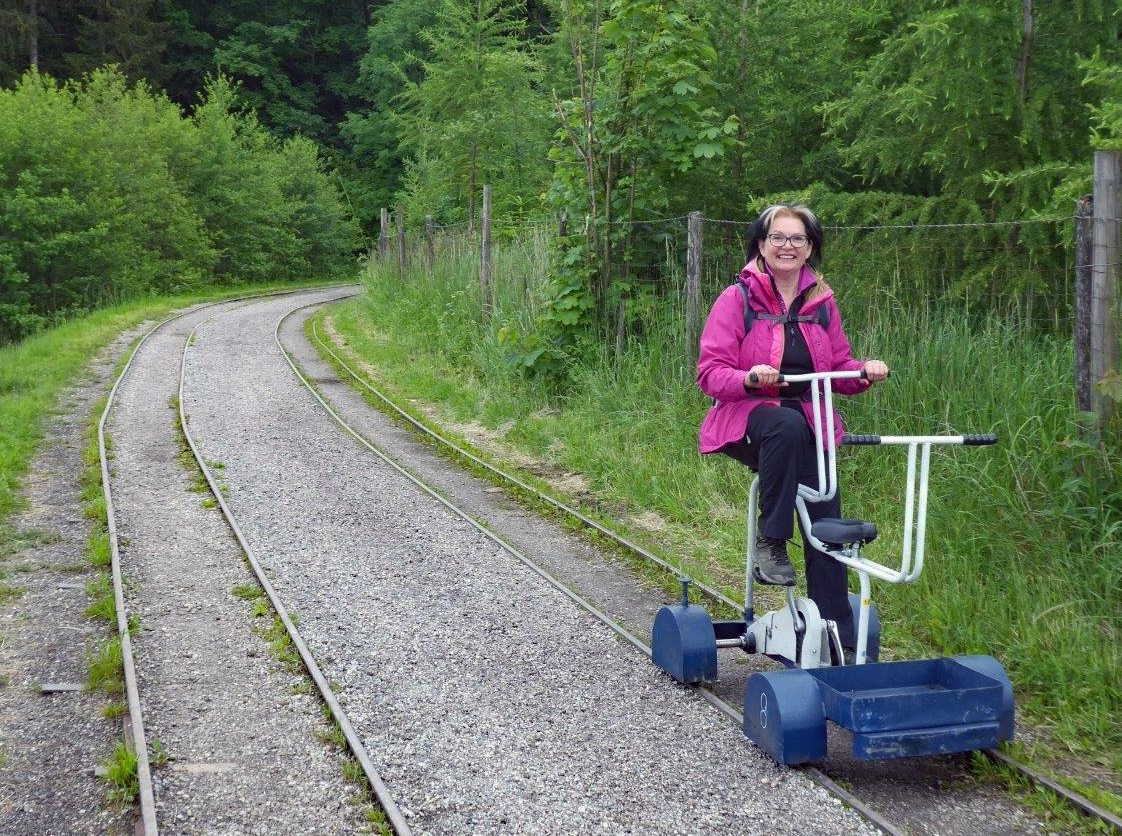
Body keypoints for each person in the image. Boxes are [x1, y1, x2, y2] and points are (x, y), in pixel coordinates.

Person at [696, 203, 889, 653]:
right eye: (778, 237)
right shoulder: (737, 299)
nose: (787, 246)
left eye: (797, 239)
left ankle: (835, 642)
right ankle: (772, 541)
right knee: (783, 423)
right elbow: (710, 373)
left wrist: (863, 372)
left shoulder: (822, 303)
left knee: (827, 529)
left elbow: (837, 367)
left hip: (810, 428)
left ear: (810, 248)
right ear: (761, 245)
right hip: (748, 416)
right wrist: (749, 377)